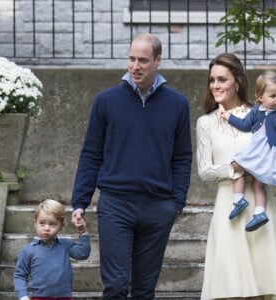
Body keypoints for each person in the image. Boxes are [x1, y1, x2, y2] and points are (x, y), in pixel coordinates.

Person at [71, 32, 192, 299]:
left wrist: (177, 202)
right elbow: (91, 153)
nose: (135, 66)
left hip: (159, 207)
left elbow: (182, 157)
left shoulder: (177, 104)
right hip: (116, 204)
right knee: (115, 286)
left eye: (143, 60)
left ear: (158, 61)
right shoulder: (106, 101)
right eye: (131, 59)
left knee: (144, 290)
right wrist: (80, 201)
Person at [196, 53, 276, 299]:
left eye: (222, 79)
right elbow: (204, 170)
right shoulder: (206, 123)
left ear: (237, 83)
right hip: (228, 208)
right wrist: (237, 168)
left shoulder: (263, 113)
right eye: (212, 80)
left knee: (266, 288)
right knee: (230, 287)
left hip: (261, 206)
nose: (215, 85)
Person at [219, 70, 276, 231]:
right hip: (257, 151)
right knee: (239, 167)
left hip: (270, 153)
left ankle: (257, 210)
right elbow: (245, 125)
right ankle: (242, 202)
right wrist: (229, 117)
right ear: (260, 97)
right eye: (273, 95)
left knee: (256, 179)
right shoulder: (256, 111)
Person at [14, 199, 91, 300]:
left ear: (61, 226)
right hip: (39, 297)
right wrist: (23, 296)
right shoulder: (28, 250)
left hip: (64, 297)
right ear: (35, 223)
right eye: (42, 223)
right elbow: (20, 275)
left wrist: (82, 232)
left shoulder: (65, 244)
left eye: (52, 224)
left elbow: (83, 253)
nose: (46, 228)